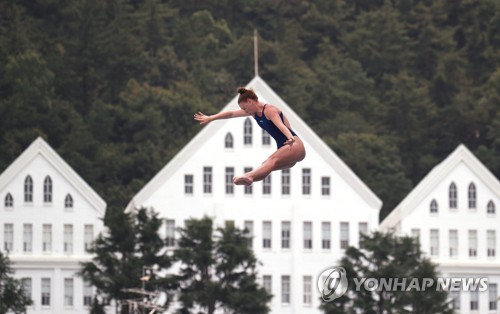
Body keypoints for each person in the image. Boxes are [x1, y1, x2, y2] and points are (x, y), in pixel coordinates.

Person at [193, 87, 306, 186]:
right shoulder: (254, 113)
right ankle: (249, 180)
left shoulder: (269, 110)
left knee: (270, 160)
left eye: (245, 108)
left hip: (294, 145)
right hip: (287, 151)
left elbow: (281, 126)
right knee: (265, 166)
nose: (244, 111)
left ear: (250, 101)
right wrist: (211, 118)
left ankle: (249, 175)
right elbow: (231, 114)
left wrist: (290, 138)